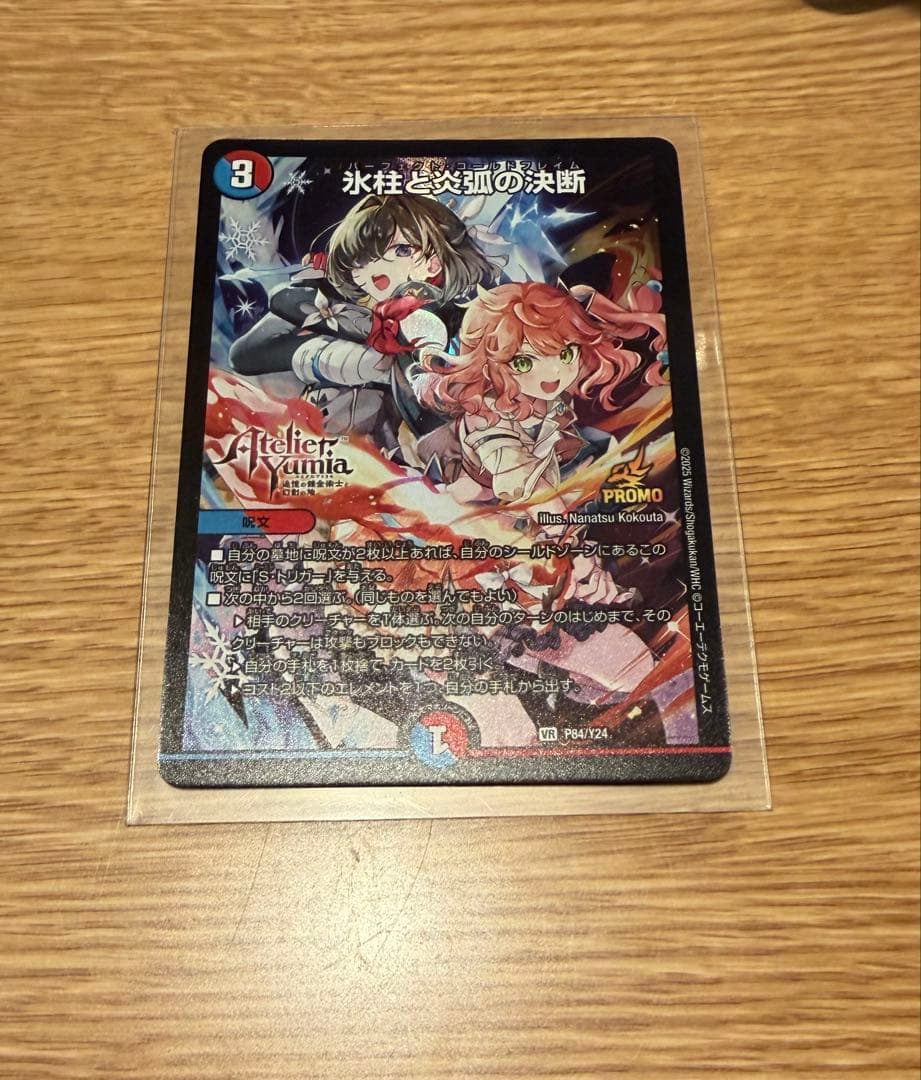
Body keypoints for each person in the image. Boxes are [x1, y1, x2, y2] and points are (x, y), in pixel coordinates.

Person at [228, 193, 498, 442]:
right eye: (361, 261)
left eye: (402, 251)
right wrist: (342, 333)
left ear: (434, 263)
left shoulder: (458, 317)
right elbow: (246, 353)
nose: (378, 269)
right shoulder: (353, 312)